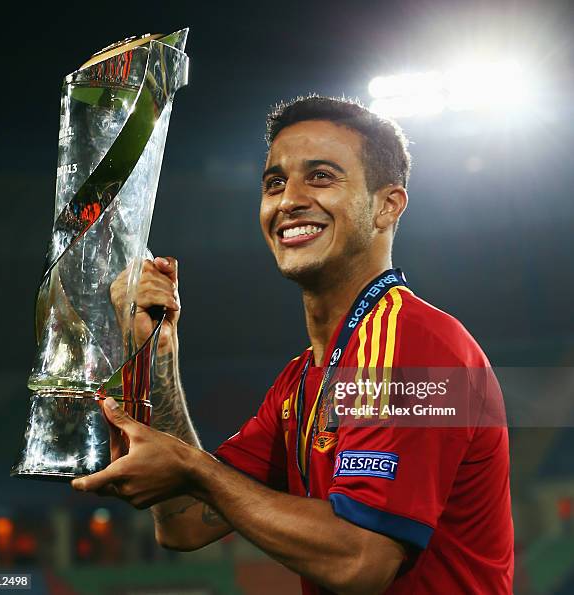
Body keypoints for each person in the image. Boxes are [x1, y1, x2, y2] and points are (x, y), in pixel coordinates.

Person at [73, 96, 514, 594]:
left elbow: (361, 561)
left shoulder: (421, 346)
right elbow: (185, 521)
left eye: (321, 176)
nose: (288, 201)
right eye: (274, 183)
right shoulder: (300, 382)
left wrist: (196, 469)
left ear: (387, 205)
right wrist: (158, 353)